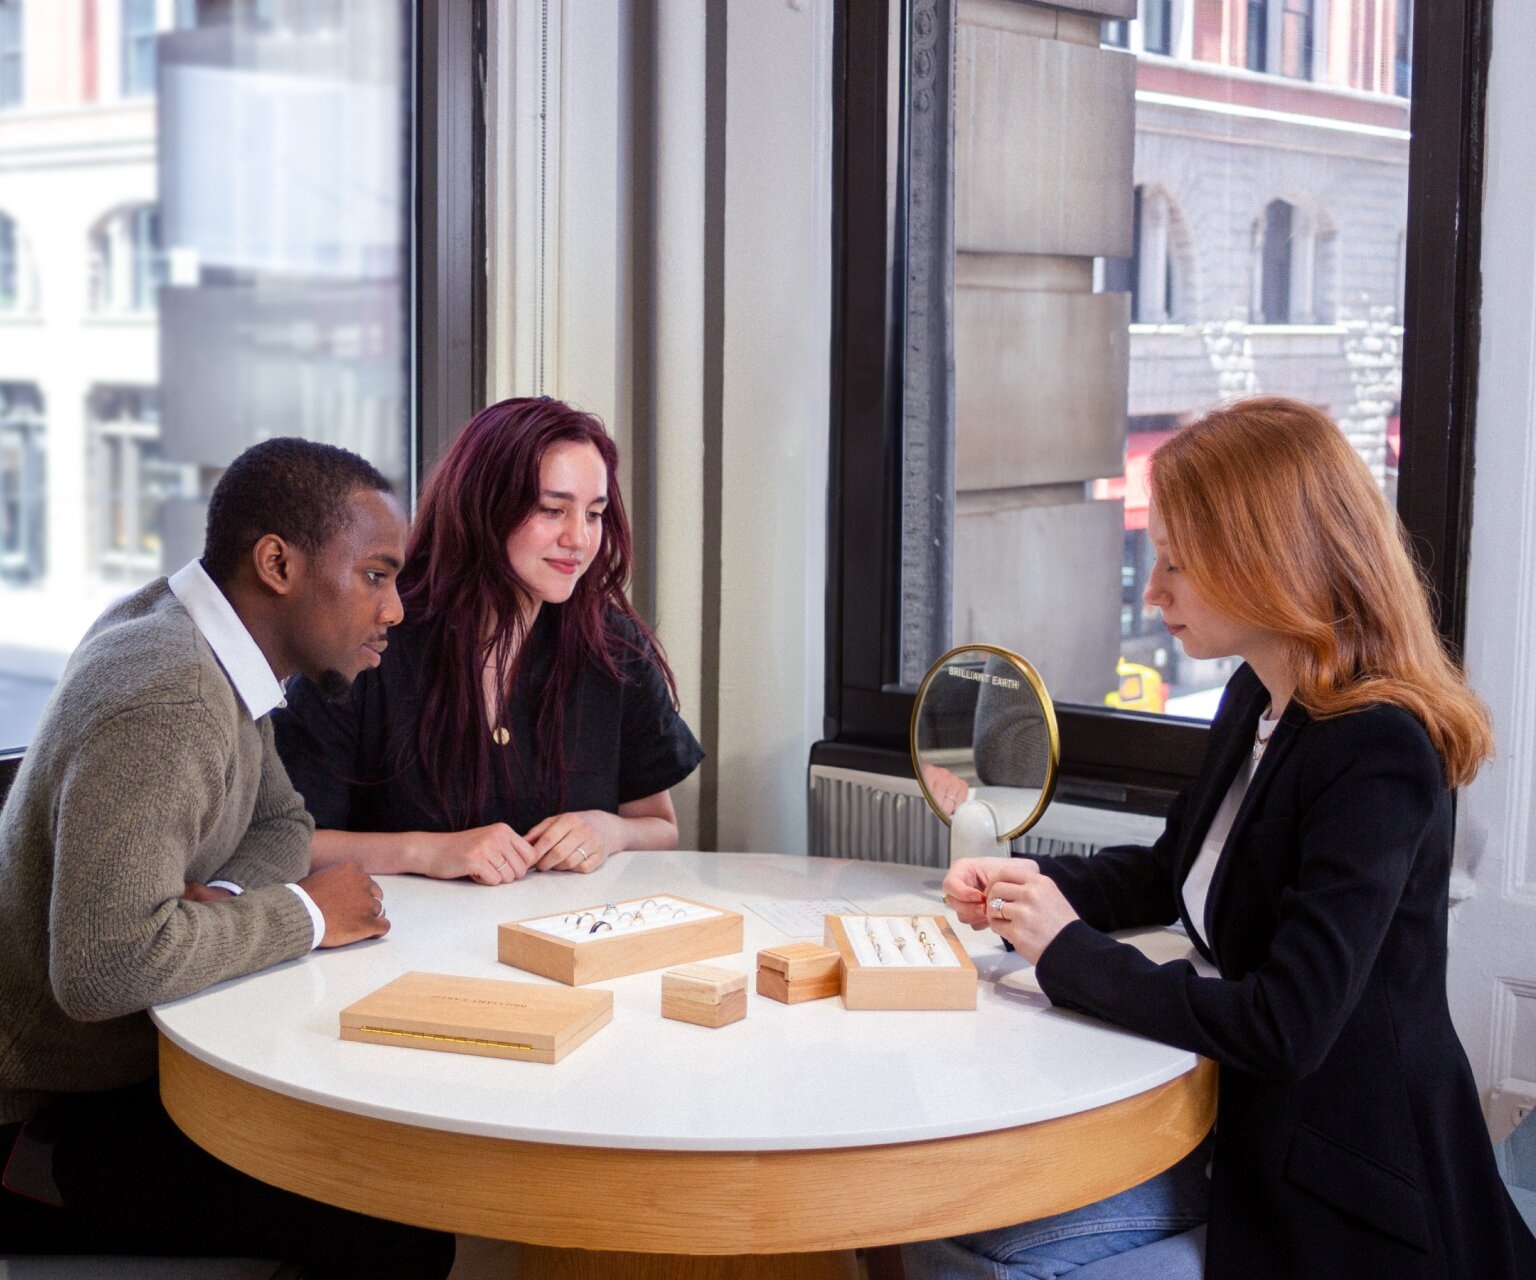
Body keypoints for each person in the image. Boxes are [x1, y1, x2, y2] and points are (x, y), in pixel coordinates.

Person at [911, 397, 1536, 1280]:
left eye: (1178, 563)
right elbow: (1175, 873)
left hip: (1341, 1180)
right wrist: (1021, 884)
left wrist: (1069, 952)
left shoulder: (1379, 747)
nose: (1152, 588)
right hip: (1244, 1122)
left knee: (969, 1256)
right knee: (952, 1222)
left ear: (1270, 562)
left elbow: (1288, 1026)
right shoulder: (1256, 694)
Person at [0, 438, 454, 1276]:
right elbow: (104, 967)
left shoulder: (210, 647)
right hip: (44, 1123)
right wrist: (309, 915)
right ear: (278, 564)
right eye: (376, 575)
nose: (395, 611)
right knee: (399, 1223)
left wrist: (224, 896)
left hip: (131, 1071)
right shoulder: (170, 695)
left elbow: (283, 821)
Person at [274, 396, 704, 883]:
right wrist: (423, 852)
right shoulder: (372, 638)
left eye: (594, 514)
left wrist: (608, 832)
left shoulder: (611, 644)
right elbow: (288, 843)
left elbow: (661, 827)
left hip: (566, 942)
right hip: (398, 946)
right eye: (551, 509)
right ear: (482, 505)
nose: (579, 540)